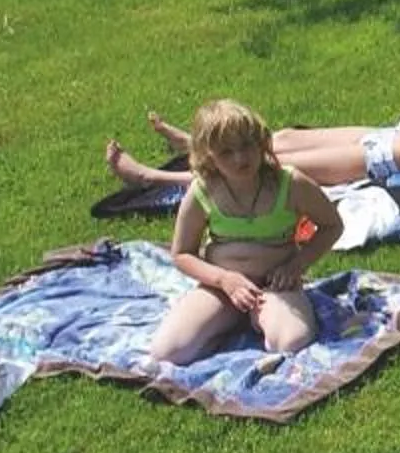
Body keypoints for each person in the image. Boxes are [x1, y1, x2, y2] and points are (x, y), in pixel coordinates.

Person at [106, 75, 400, 196]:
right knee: (285, 137)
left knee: (268, 169)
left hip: (375, 163)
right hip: (380, 136)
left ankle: (151, 178)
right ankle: (194, 147)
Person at [147, 98, 348, 366]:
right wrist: (224, 281)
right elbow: (182, 253)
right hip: (222, 288)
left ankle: (258, 319)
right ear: (209, 156)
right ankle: (226, 321)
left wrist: (296, 265)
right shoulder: (204, 191)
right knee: (167, 352)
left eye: (247, 146)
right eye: (227, 152)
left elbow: (332, 225)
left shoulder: (289, 184)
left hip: (276, 284)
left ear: (262, 142)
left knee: (291, 343)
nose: (240, 158)